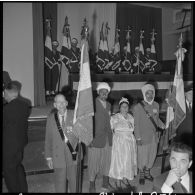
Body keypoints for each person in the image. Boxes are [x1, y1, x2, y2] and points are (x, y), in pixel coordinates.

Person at [44, 93, 79, 192]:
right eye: (58, 102)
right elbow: (48, 138)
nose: (61, 104)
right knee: (60, 182)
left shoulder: (75, 115)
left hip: (73, 154)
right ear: (54, 105)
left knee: (74, 181)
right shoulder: (51, 118)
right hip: (57, 155)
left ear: (67, 103)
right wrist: (48, 157)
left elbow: (82, 132)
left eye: (63, 102)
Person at [133, 83, 165, 185]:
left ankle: (147, 173)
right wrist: (138, 138)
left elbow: (156, 118)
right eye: (147, 93)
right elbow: (136, 124)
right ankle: (142, 174)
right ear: (144, 94)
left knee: (152, 155)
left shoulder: (156, 105)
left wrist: (162, 124)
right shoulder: (138, 107)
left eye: (151, 93)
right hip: (143, 137)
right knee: (142, 156)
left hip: (154, 137)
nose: (150, 95)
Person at [3, 81, 30, 192]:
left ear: (8, 93)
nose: (4, 95)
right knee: (18, 167)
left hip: (8, 146)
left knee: (9, 172)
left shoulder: (5, 110)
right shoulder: (25, 105)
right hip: (20, 143)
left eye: (4, 93)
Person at [88, 82, 113, 192]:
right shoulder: (91, 104)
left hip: (107, 137)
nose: (104, 94)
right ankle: (92, 183)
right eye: (102, 92)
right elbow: (87, 121)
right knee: (93, 162)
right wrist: (88, 138)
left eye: (106, 92)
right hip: (95, 138)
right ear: (98, 92)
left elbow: (109, 121)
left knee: (107, 161)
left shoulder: (109, 105)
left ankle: (105, 182)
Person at [109, 97, 137, 184]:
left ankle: (125, 176)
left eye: (126, 107)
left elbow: (133, 128)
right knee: (119, 159)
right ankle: (118, 176)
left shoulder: (131, 117)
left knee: (127, 159)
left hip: (129, 141)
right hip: (119, 141)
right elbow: (111, 130)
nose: (125, 108)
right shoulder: (114, 117)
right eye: (123, 106)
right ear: (119, 108)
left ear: (128, 108)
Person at [174, 83, 193, 147]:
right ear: (185, 94)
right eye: (190, 93)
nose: (192, 96)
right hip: (182, 136)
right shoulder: (180, 105)